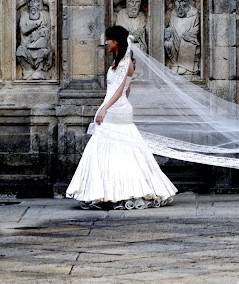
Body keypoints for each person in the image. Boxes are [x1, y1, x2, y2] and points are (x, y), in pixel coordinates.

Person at [66, 25, 177, 210]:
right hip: (116, 107)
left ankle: (118, 191)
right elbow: (126, 89)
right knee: (112, 148)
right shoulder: (118, 62)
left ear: (116, 41)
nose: (105, 43)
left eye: (108, 40)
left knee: (115, 147)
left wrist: (104, 109)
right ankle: (106, 191)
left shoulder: (127, 64)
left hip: (116, 110)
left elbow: (119, 91)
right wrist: (109, 106)